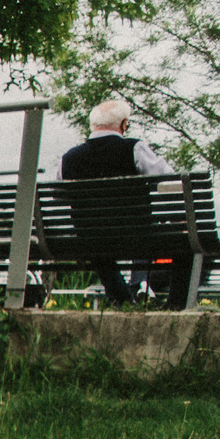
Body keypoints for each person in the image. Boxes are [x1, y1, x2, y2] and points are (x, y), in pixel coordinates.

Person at [58, 98, 186, 309]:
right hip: (136, 234)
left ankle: (122, 299)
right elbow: (170, 181)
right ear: (124, 124)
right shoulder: (134, 148)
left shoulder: (69, 158)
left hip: (90, 238)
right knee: (185, 242)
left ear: (93, 126)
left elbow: (57, 195)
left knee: (96, 244)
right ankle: (175, 306)